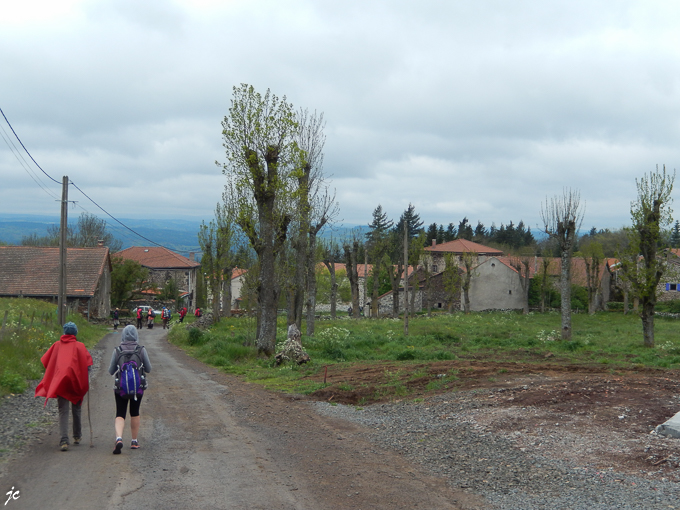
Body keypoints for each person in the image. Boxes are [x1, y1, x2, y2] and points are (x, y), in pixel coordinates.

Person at [35, 322, 93, 451]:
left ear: (64, 332)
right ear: (75, 333)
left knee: (63, 410)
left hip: (61, 382)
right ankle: (77, 436)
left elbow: (47, 362)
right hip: (76, 382)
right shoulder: (80, 346)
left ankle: (64, 440)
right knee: (76, 408)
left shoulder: (56, 346)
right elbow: (88, 366)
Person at [108, 325, 152, 454]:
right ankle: (134, 441)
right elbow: (148, 369)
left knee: (120, 413)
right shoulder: (141, 350)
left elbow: (111, 371)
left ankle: (119, 438)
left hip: (120, 388)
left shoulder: (117, 350)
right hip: (137, 388)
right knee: (135, 412)